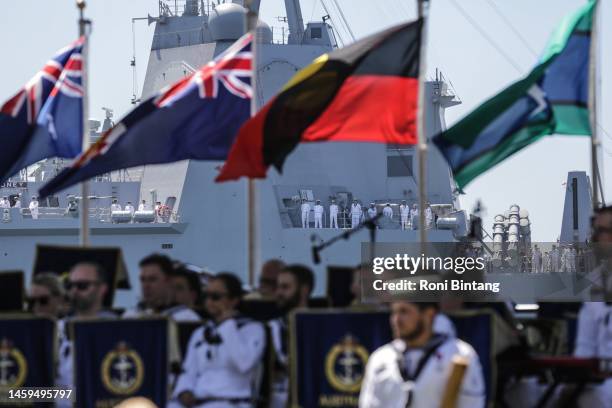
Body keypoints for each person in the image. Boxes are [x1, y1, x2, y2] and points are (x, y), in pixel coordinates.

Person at [359, 301, 485, 408]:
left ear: (428, 314)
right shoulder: (381, 358)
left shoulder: (460, 354)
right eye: (393, 312)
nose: (396, 320)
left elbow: (472, 404)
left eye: (404, 311)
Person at [174, 273, 265, 408]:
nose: (209, 301)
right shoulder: (200, 333)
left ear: (233, 300)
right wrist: (184, 390)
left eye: (215, 297)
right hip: (200, 401)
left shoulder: (253, 329)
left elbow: (243, 363)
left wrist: (227, 324)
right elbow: (188, 370)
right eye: (206, 296)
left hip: (233, 402)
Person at [57, 263, 116, 406]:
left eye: (82, 285)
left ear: (102, 288)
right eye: (70, 286)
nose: (74, 291)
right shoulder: (56, 329)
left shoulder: (119, 328)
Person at [573, 205, 612, 407]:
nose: (597, 238)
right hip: (598, 380)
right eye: (595, 231)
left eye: (603, 231)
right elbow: (585, 346)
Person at [269, 265, 315, 408]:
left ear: (304, 290)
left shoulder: (322, 326)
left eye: (285, 287)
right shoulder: (271, 327)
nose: (278, 293)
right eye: (278, 287)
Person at [123, 254, 200, 321]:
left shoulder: (186, 318)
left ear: (169, 281)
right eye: (143, 280)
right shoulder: (129, 316)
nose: (146, 286)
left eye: (152, 279)